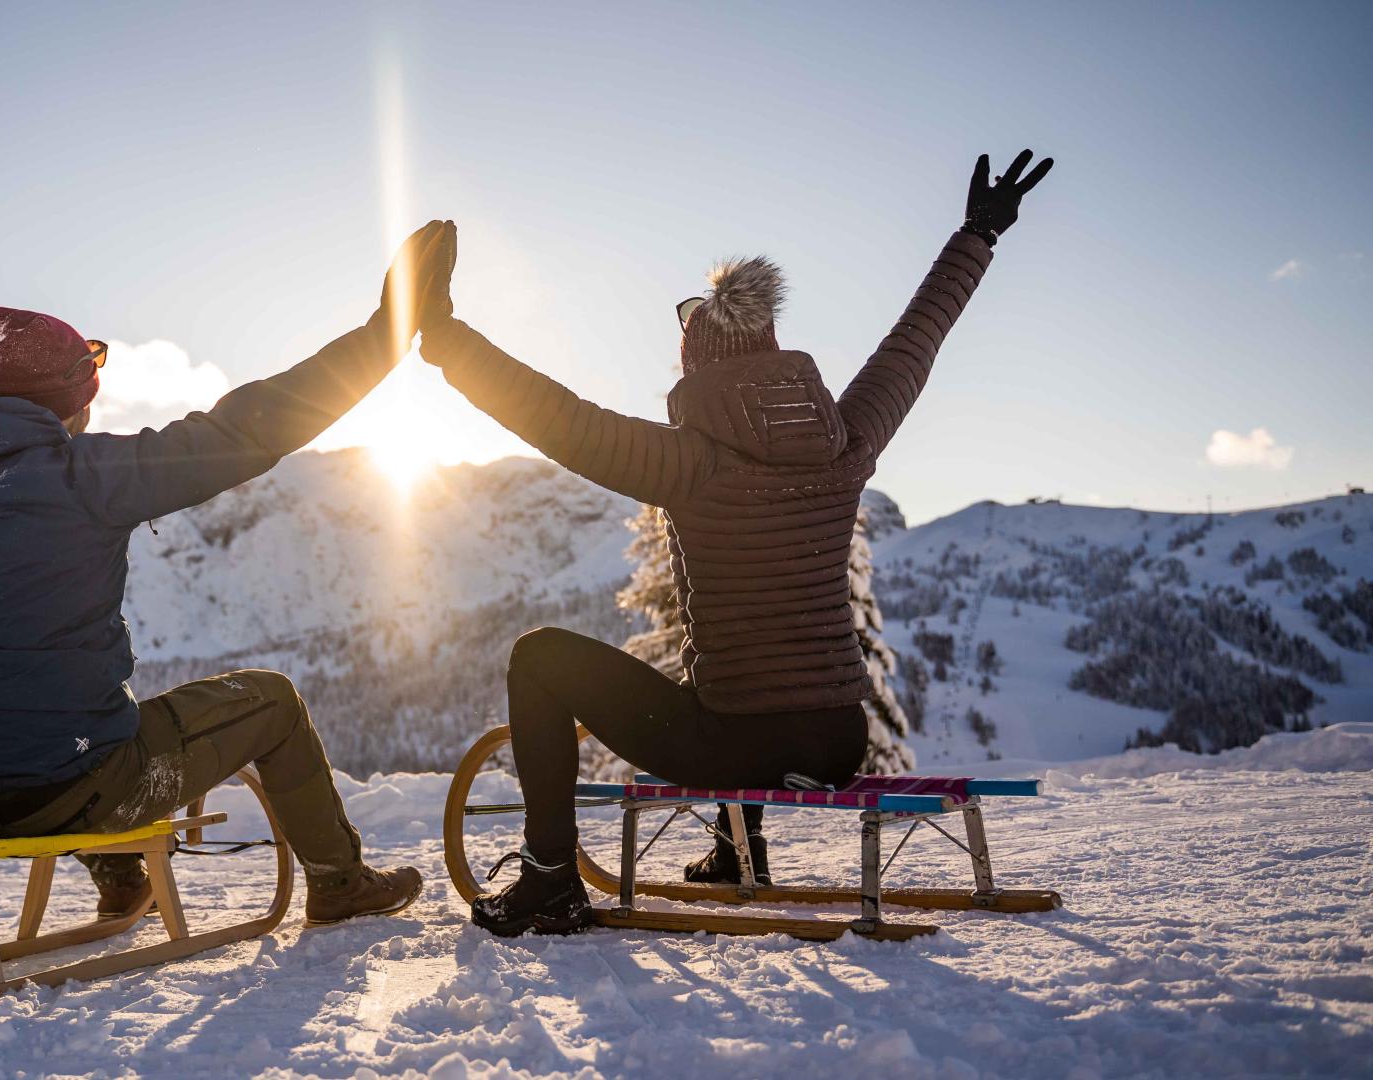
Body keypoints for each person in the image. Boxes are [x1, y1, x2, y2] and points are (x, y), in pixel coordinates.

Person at [419, 152, 1054, 936]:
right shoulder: (845, 439)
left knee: (541, 657)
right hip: (837, 739)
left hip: (733, 743)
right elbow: (913, 346)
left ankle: (551, 876)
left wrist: (444, 336)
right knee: (736, 674)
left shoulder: (689, 462)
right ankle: (735, 843)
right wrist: (977, 236)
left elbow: (555, 416)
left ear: (697, 364)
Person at [0, 166, 457, 924]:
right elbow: (250, 427)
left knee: (96, 721)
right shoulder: (88, 477)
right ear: (74, 402)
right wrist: (384, 337)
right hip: (79, 787)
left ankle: (121, 878)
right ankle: (338, 883)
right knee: (271, 703)